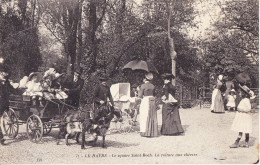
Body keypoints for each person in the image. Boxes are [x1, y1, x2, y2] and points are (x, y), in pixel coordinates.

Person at [138, 72, 158, 137]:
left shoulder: (143, 86)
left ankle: (144, 131)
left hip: (146, 100)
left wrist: (138, 90)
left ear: (145, 79)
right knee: (152, 115)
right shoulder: (153, 86)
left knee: (144, 115)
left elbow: (140, 96)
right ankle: (152, 131)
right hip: (152, 100)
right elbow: (155, 94)